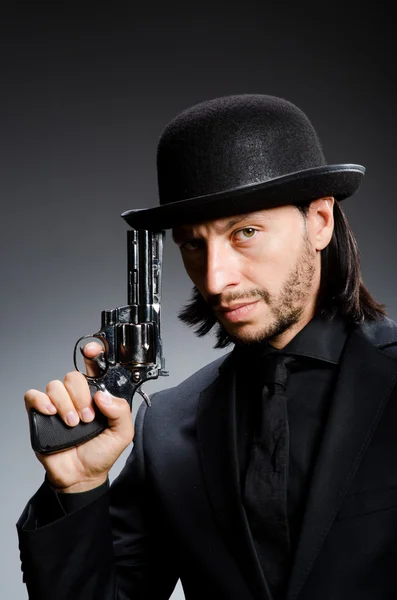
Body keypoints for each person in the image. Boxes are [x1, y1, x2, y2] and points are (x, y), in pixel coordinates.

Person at [17, 94, 397, 600]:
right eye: (193, 244)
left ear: (321, 221)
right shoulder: (168, 429)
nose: (214, 279)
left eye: (245, 232)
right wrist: (78, 486)